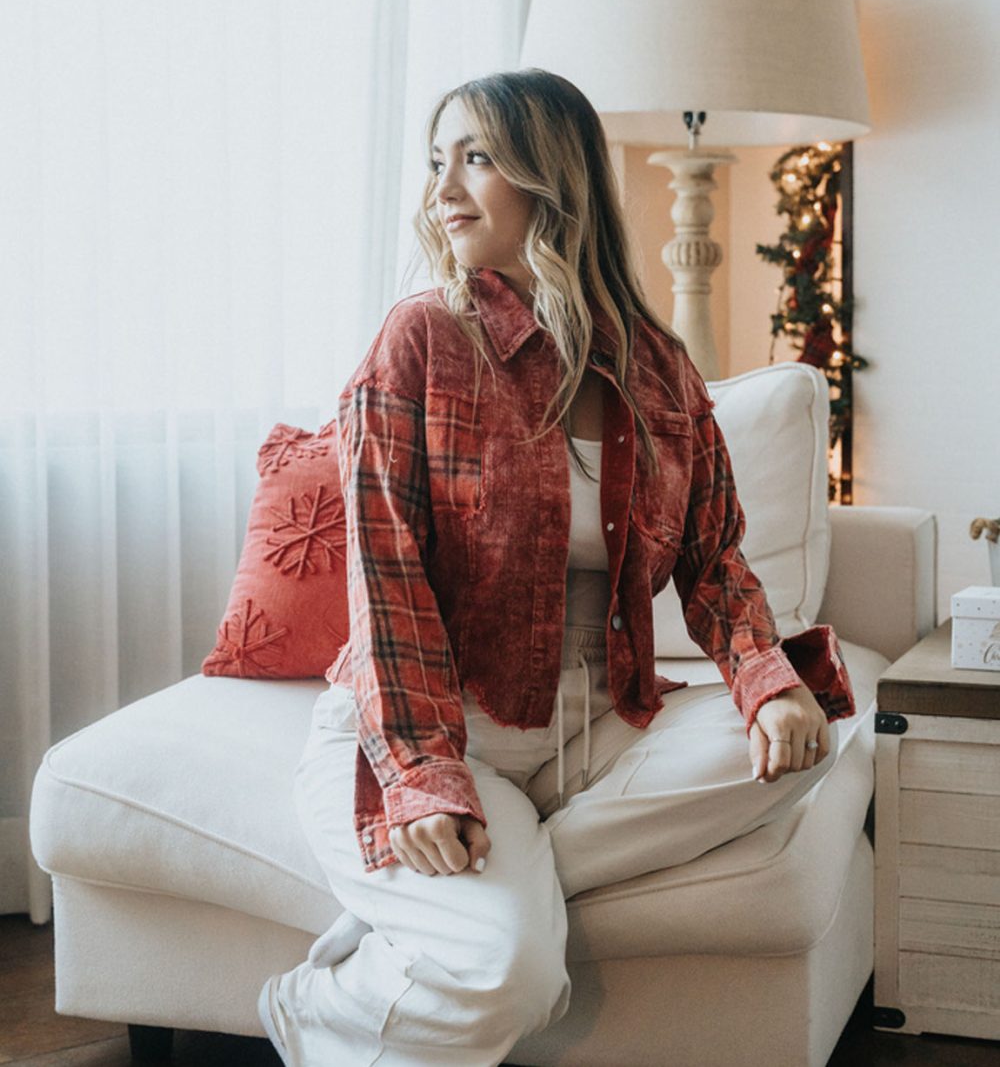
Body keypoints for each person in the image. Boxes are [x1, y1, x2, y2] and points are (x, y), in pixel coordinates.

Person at [258, 68, 856, 1067]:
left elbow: (711, 563)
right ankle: (320, 1008)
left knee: (811, 729)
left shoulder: (657, 366)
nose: (442, 187)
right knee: (514, 973)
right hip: (445, 720)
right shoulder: (419, 344)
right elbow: (386, 585)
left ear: (556, 178)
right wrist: (422, 776)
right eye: (435, 160)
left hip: (600, 730)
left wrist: (764, 683)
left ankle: (482, 883)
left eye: (477, 157)